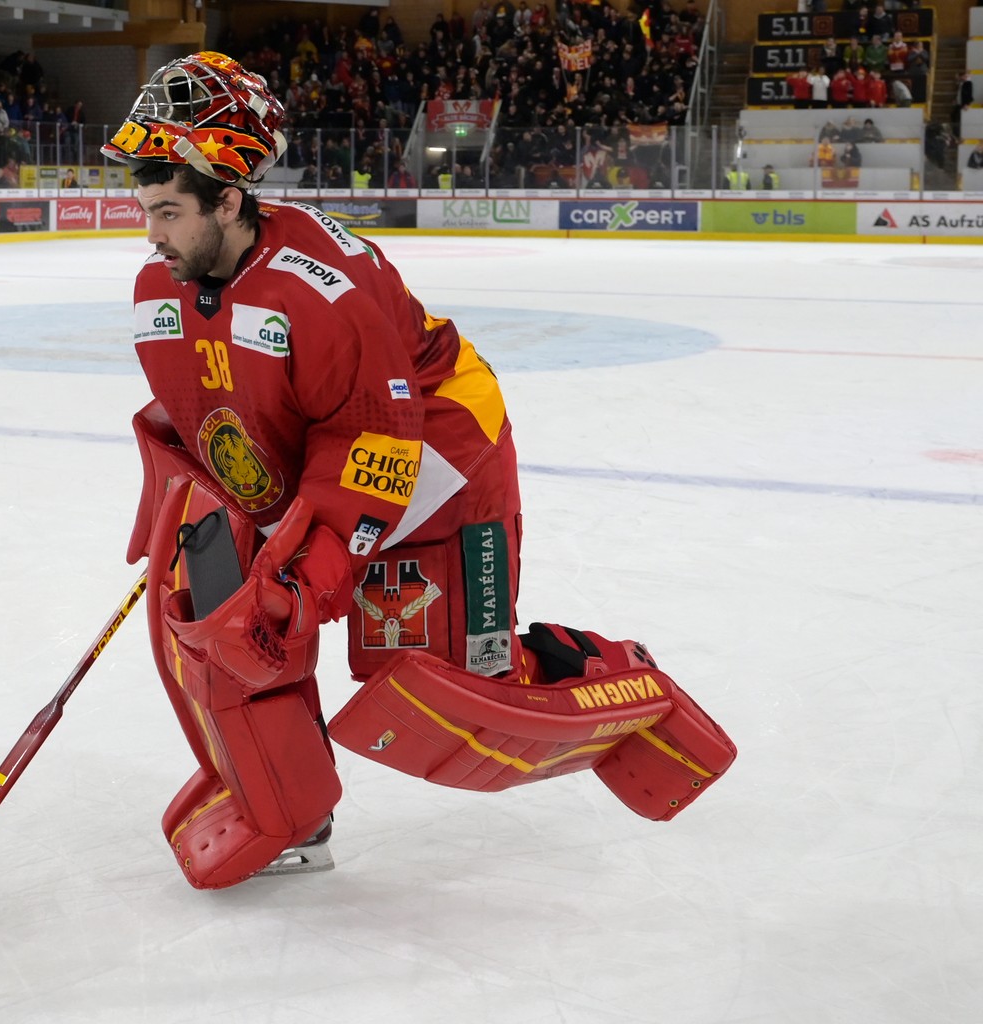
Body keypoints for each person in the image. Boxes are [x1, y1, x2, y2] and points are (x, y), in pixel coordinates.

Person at [100, 52, 735, 892]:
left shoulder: (327, 288)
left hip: (438, 454)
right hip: (323, 462)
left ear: (229, 198)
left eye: (169, 212)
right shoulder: (159, 287)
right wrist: (180, 502)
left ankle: (613, 681)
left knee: (448, 694)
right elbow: (207, 413)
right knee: (218, 628)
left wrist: (304, 579)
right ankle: (288, 807)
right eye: (146, 211)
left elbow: (377, 442)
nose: (152, 234)